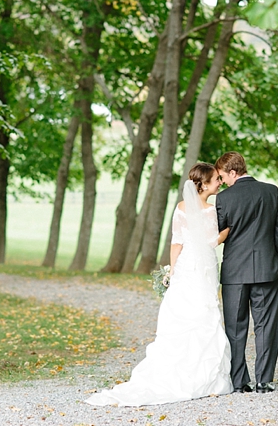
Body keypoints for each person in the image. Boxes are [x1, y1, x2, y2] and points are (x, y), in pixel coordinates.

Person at [85, 163, 233, 406]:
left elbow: (177, 242)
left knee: (187, 313)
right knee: (203, 313)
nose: (219, 182)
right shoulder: (208, 210)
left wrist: (173, 270)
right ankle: (201, 376)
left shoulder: (181, 208)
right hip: (203, 267)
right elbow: (211, 241)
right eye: (217, 179)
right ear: (204, 184)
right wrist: (227, 231)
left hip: (186, 266)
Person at [215, 152, 278, 394]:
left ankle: (239, 382)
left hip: (235, 272)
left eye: (223, 176)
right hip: (268, 269)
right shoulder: (271, 192)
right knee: (267, 326)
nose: (223, 181)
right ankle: (264, 381)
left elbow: (218, 231)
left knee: (235, 328)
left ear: (233, 172)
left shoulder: (224, 199)